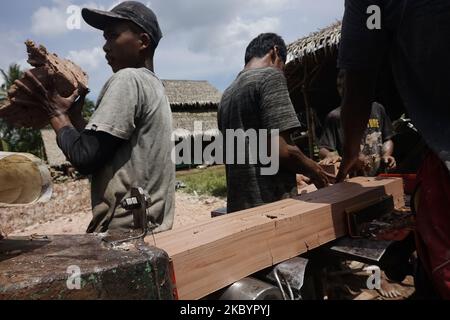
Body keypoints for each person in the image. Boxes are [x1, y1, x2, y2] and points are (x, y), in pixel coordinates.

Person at [15, 1, 175, 234]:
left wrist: (56, 113)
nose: (105, 47)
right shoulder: (155, 86)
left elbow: (85, 157)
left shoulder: (127, 79)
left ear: (142, 42)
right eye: (104, 39)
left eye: (113, 36)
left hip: (125, 233)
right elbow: (106, 150)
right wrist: (77, 120)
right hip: (152, 228)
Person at [337, 0, 450, 299]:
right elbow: (326, 147)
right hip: (366, 181)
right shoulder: (332, 116)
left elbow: (359, 76)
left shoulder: (376, 108)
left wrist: (366, 153)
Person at [218, 33, 330, 214]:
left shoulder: (227, 94)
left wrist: (293, 173)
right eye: (282, 65)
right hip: (271, 209)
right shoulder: (270, 76)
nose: (282, 71)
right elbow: (283, 151)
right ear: (275, 52)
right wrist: (315, 170)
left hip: (239, 209)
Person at [319, 70, 396, 176]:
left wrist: (386, 155)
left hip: (379, 176)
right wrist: (329, 155)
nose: (344, 90)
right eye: (340, 86)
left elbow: (387, 139)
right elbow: (324, 148)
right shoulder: (334, 116)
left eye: (348, 86)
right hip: (352, 179)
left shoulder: (377, 109)